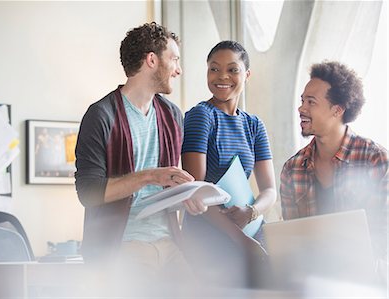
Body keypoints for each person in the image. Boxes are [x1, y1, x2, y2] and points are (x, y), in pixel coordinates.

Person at [74, 22, 206, 290]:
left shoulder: (172, 116)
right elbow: (88, 192)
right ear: (152, 60)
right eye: (174, 59)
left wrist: (186, 198)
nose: (179, 70)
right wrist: (149, 176)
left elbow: (163, 187)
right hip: (124, 246)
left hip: (170, 243)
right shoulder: (100, 115)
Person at [280, 61, 388, 283]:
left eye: (311, 102)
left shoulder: (375, 159)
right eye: (302, 101)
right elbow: (291, 240)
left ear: (337, 110)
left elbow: (383, 234)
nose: (301, 108)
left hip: (365, 284)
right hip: (313, 283)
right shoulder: (292, 169)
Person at [181, 40, 277, 287]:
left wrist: (252, 212)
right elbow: (196, 192)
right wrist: (241, 241)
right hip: (209, 236)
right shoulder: (200, 116)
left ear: (247, 74)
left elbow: (269, 190)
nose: (222, 76)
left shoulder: (254, 125)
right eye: (214, 69)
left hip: (248, 227)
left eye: (233, 69)